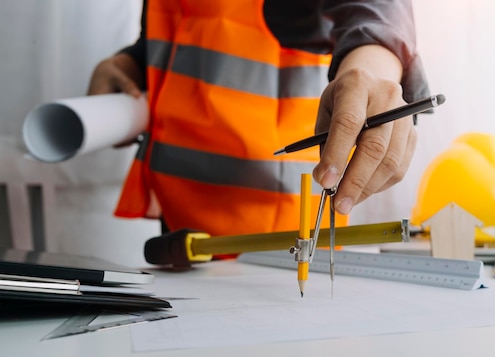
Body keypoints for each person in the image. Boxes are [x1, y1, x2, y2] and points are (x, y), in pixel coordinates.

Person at [87, 0, 430, 238]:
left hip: (277, 227)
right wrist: (130, 62)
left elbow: (376, 15)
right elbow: (189, 29)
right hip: (177, 214)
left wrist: (373, 71)